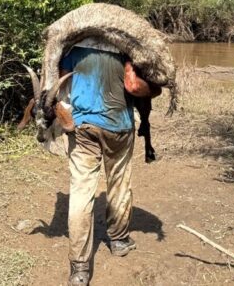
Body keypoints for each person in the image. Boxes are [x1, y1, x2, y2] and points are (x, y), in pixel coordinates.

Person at [60, 38, 161, 286]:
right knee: (119, 183)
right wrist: (154, 90)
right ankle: (119, 240)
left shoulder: (74, 46)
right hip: (119, 127)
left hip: (82, 128)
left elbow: (62, 87)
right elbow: (134, 86)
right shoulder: (127, 48)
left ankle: (80, 268)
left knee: (81, 192)